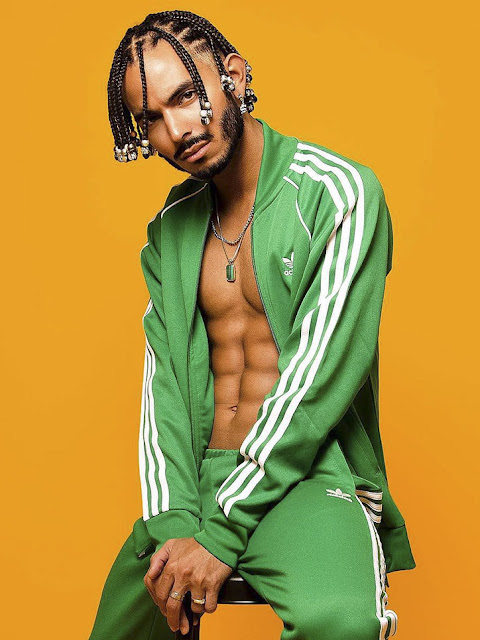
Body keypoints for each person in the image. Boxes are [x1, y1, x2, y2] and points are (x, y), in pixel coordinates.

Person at [89, 9, 416, 640]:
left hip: (306, 478)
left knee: (341, 622)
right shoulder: (170, 229)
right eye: (150, 118)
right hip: (194, 484)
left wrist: (221, 536)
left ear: (234, 78)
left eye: (186, 96)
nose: (176, 130)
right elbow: (164, 389)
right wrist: (173, 521)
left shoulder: (338, 193)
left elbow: (316, 381)